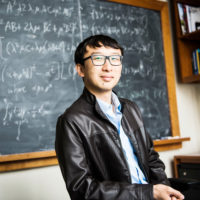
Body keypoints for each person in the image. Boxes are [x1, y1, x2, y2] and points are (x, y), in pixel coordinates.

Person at [55, 35, 184, 200]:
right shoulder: (71, 121)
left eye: (115, 59)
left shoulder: (130, 108)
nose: (108, 67)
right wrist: (148, 193)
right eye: (98, 59)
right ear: (80, 69)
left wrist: (166, 191)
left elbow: (151, 159)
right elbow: (81, 189)